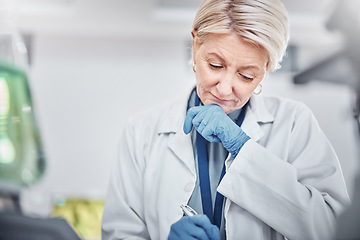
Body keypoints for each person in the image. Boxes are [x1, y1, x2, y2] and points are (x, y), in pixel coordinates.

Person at [101, 0, 350, 239]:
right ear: (195, 44)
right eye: (215, 65)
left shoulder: (294, 123)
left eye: (246, 76)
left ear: (266, 70)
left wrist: (243, 149)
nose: (224, 89)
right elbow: (119, 234)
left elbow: (333, 230)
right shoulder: (141, 131)